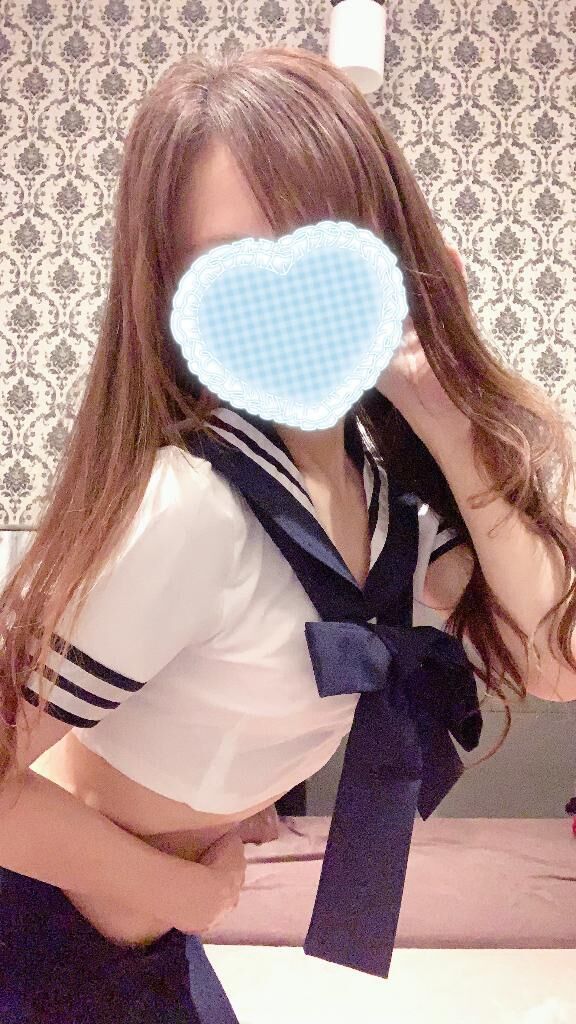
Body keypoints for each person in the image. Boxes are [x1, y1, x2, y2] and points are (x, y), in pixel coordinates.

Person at [1, 45, 575, 1023]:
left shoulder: (379, 495)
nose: (296, 306)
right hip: (42, 937)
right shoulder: (189, 507)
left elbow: (553, 662)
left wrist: (448, 418)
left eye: (331, 249)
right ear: (172, 297)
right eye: (233, 270)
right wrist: (186, 890)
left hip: (151, 934)